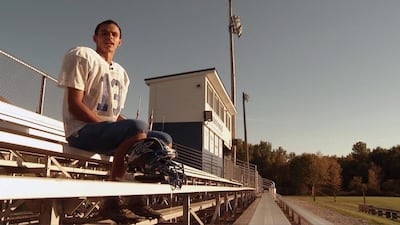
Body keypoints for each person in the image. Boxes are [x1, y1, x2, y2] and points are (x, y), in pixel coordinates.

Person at [58, 19, 167, 224]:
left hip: (105, 132)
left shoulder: (122, 73)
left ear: (120, 42)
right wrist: (120, 128)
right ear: (95, 38)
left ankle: (136, 199)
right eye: (104, 33)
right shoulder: (83, 55)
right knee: (138, 127)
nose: (109, 37)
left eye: (114, 34)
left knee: (163, 139)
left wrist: (127, 127)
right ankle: (111, 200)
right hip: (81, 130)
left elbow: (115, 114)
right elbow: (75, 105)